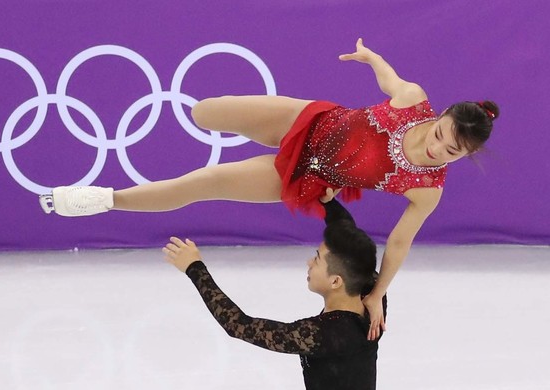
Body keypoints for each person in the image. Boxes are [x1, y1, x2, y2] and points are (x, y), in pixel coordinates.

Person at [39, 38, 499, 338]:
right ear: (439, 119)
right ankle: (192, 133)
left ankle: (104, 199)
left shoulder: (427, 187)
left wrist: (376, 292)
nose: (439, 149)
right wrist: (374, 58)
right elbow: (390, 79)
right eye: (441, 135)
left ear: (466, 156)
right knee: (205, 112)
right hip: (307, 118)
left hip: (308, 173)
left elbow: (400, 241)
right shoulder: (413, 100)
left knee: (205, 182)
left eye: (453, 152)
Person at [163, 199, 387, 390]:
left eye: (317, 258)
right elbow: (348, 232)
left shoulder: (322, 334)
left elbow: (238, 325)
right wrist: (326, 199)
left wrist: (194, 268)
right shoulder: (371, 298)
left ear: (336, 281)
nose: (310, 263)